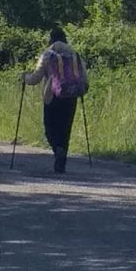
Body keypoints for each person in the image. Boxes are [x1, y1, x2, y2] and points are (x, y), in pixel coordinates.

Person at [22, 26, 88, 174]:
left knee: (50, 128)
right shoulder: (75, 54)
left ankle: (57, 149)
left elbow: (35, 78)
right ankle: (61, 161)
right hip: (71, 96)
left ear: (50, 39)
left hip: (51, 96)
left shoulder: (47, 54)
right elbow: (84, 77)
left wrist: (25, 78)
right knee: (65, 129)